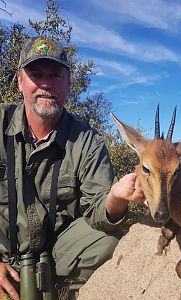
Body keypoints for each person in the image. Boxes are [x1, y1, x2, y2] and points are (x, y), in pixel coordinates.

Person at [0, 36, 145, 300]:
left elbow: (98, 212)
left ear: (68, 84)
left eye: (55, 75)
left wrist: (116, 197)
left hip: (53, 253)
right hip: (2, 254)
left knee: (106, 243)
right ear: (20, 81)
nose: (45, 85)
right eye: (36, 74)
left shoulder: (87, 140)